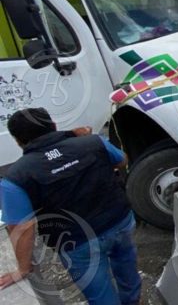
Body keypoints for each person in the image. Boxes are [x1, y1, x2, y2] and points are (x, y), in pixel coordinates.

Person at [0, 108, 141, 304]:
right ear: (54, 126)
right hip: (119, 222)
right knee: (128, 272)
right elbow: (121, 160)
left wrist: (23, 268)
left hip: (78, 243)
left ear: (17, 141)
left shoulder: (16, 178)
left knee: (100, 295)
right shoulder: (92, 142)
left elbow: (23, 226)